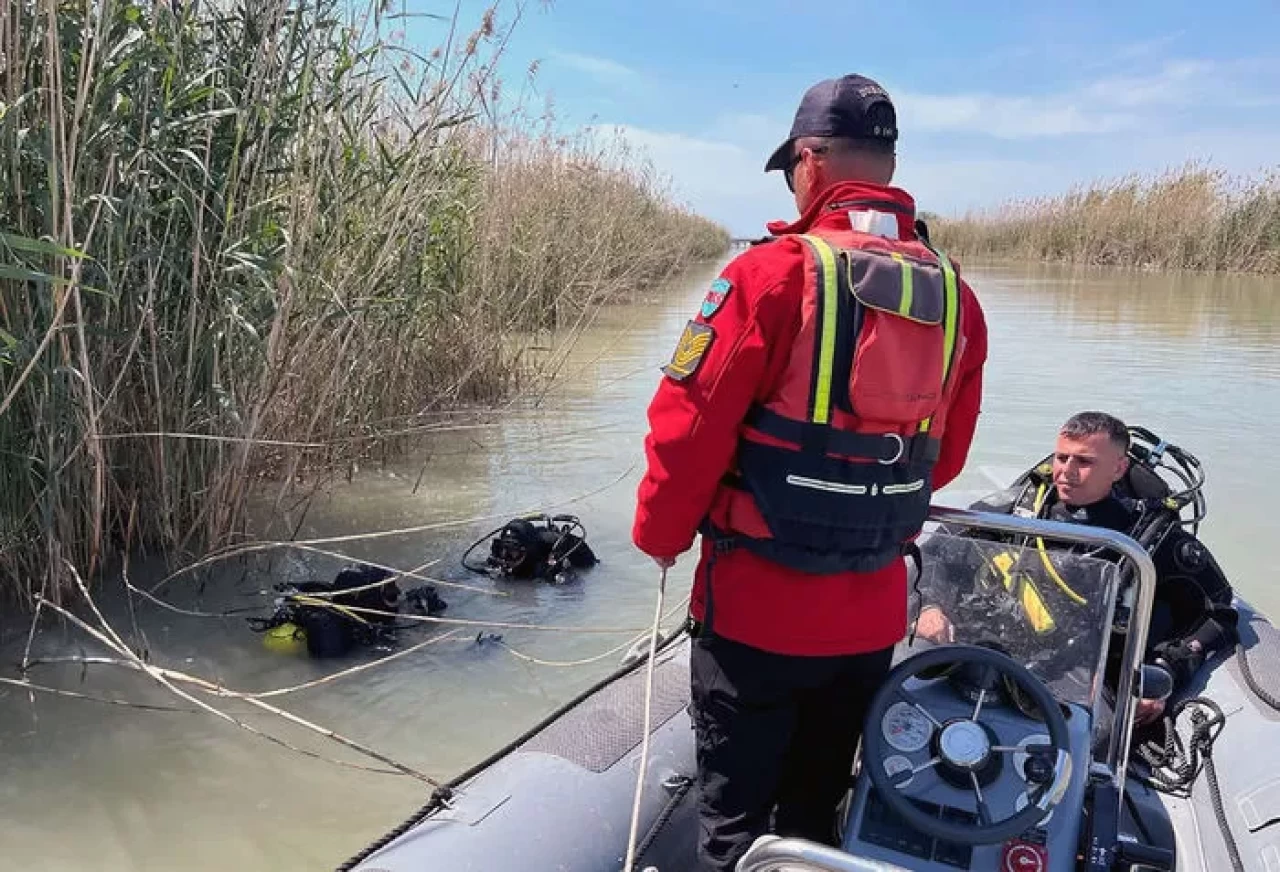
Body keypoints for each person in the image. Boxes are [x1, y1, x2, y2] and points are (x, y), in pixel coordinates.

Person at [631, 74, 989, 872]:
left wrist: (658, 536)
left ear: (809, 161)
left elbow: (686, 431)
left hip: (754, 615)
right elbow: (946, 459)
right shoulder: (957, 298)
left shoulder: (769, 277)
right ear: (889, 167)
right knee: (816, 810)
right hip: (870, 619)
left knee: (733, 824)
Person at [916, 411, 1238, 729]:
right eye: (1061, 458)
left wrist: (1166, 670)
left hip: (1079, 677)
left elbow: (1218, 613)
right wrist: (930, 606)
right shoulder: (1016, 509)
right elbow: (935, 553)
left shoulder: (1148, 538)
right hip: (988, 648)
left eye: (1084, 462)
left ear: (1118, 468)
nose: (1066, 471)